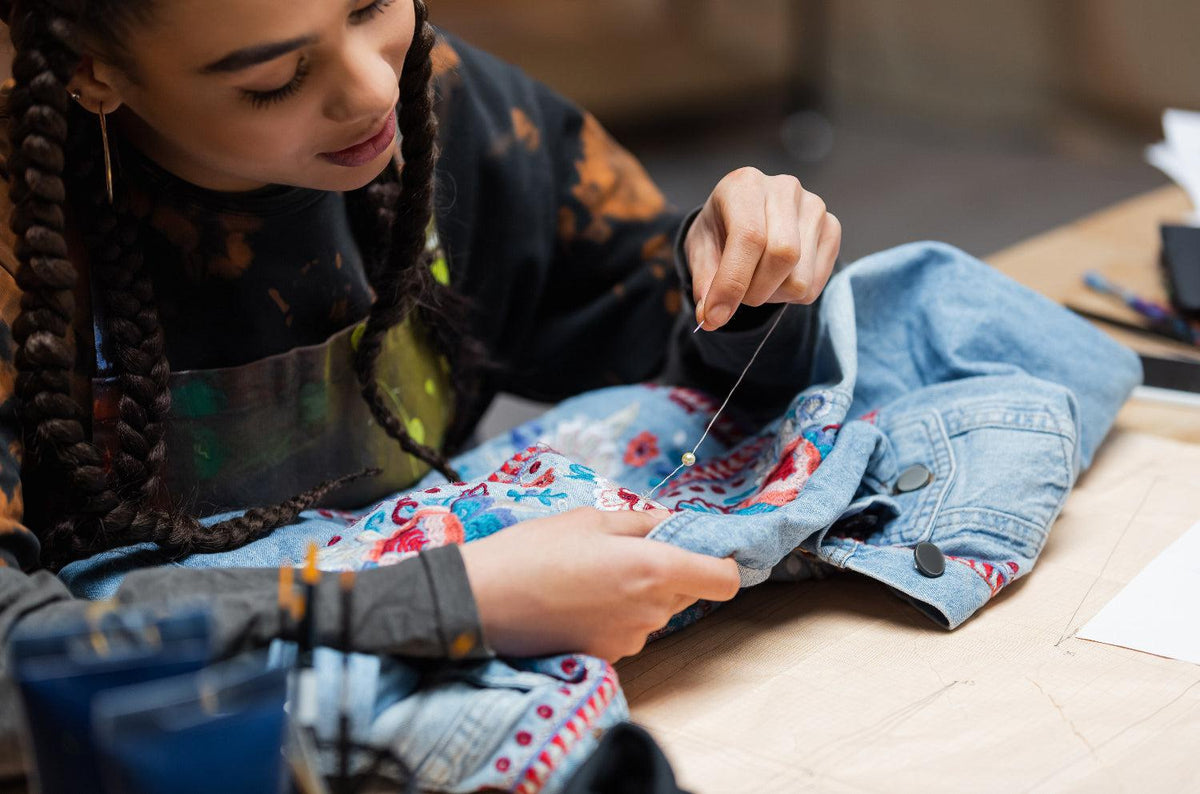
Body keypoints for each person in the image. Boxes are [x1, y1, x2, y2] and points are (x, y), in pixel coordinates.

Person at [0, 0, 841, 674]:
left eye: (371, 6)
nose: (374, 89)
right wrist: (444, 602)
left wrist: (750, 276)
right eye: (274, 78)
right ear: (94, 73)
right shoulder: (22, 242)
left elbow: (705, 375)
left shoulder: (450, 106)